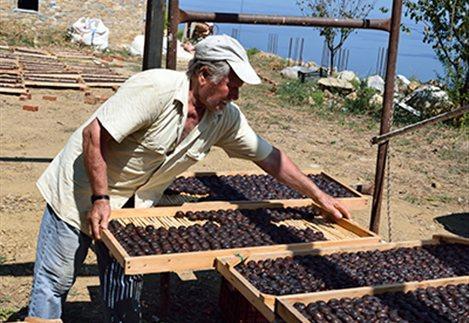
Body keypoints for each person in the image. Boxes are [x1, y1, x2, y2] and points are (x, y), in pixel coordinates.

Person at [27, 34, 350, 322]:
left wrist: (319, 195)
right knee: (55, 281)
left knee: (125, 286)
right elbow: (93, 136)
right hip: (81, 190)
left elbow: (271, 158)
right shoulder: (156, 88)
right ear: (204, 74)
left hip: (131, 206)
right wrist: (100, 197)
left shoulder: (225, 118)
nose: (235, 95)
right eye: (232, 85)